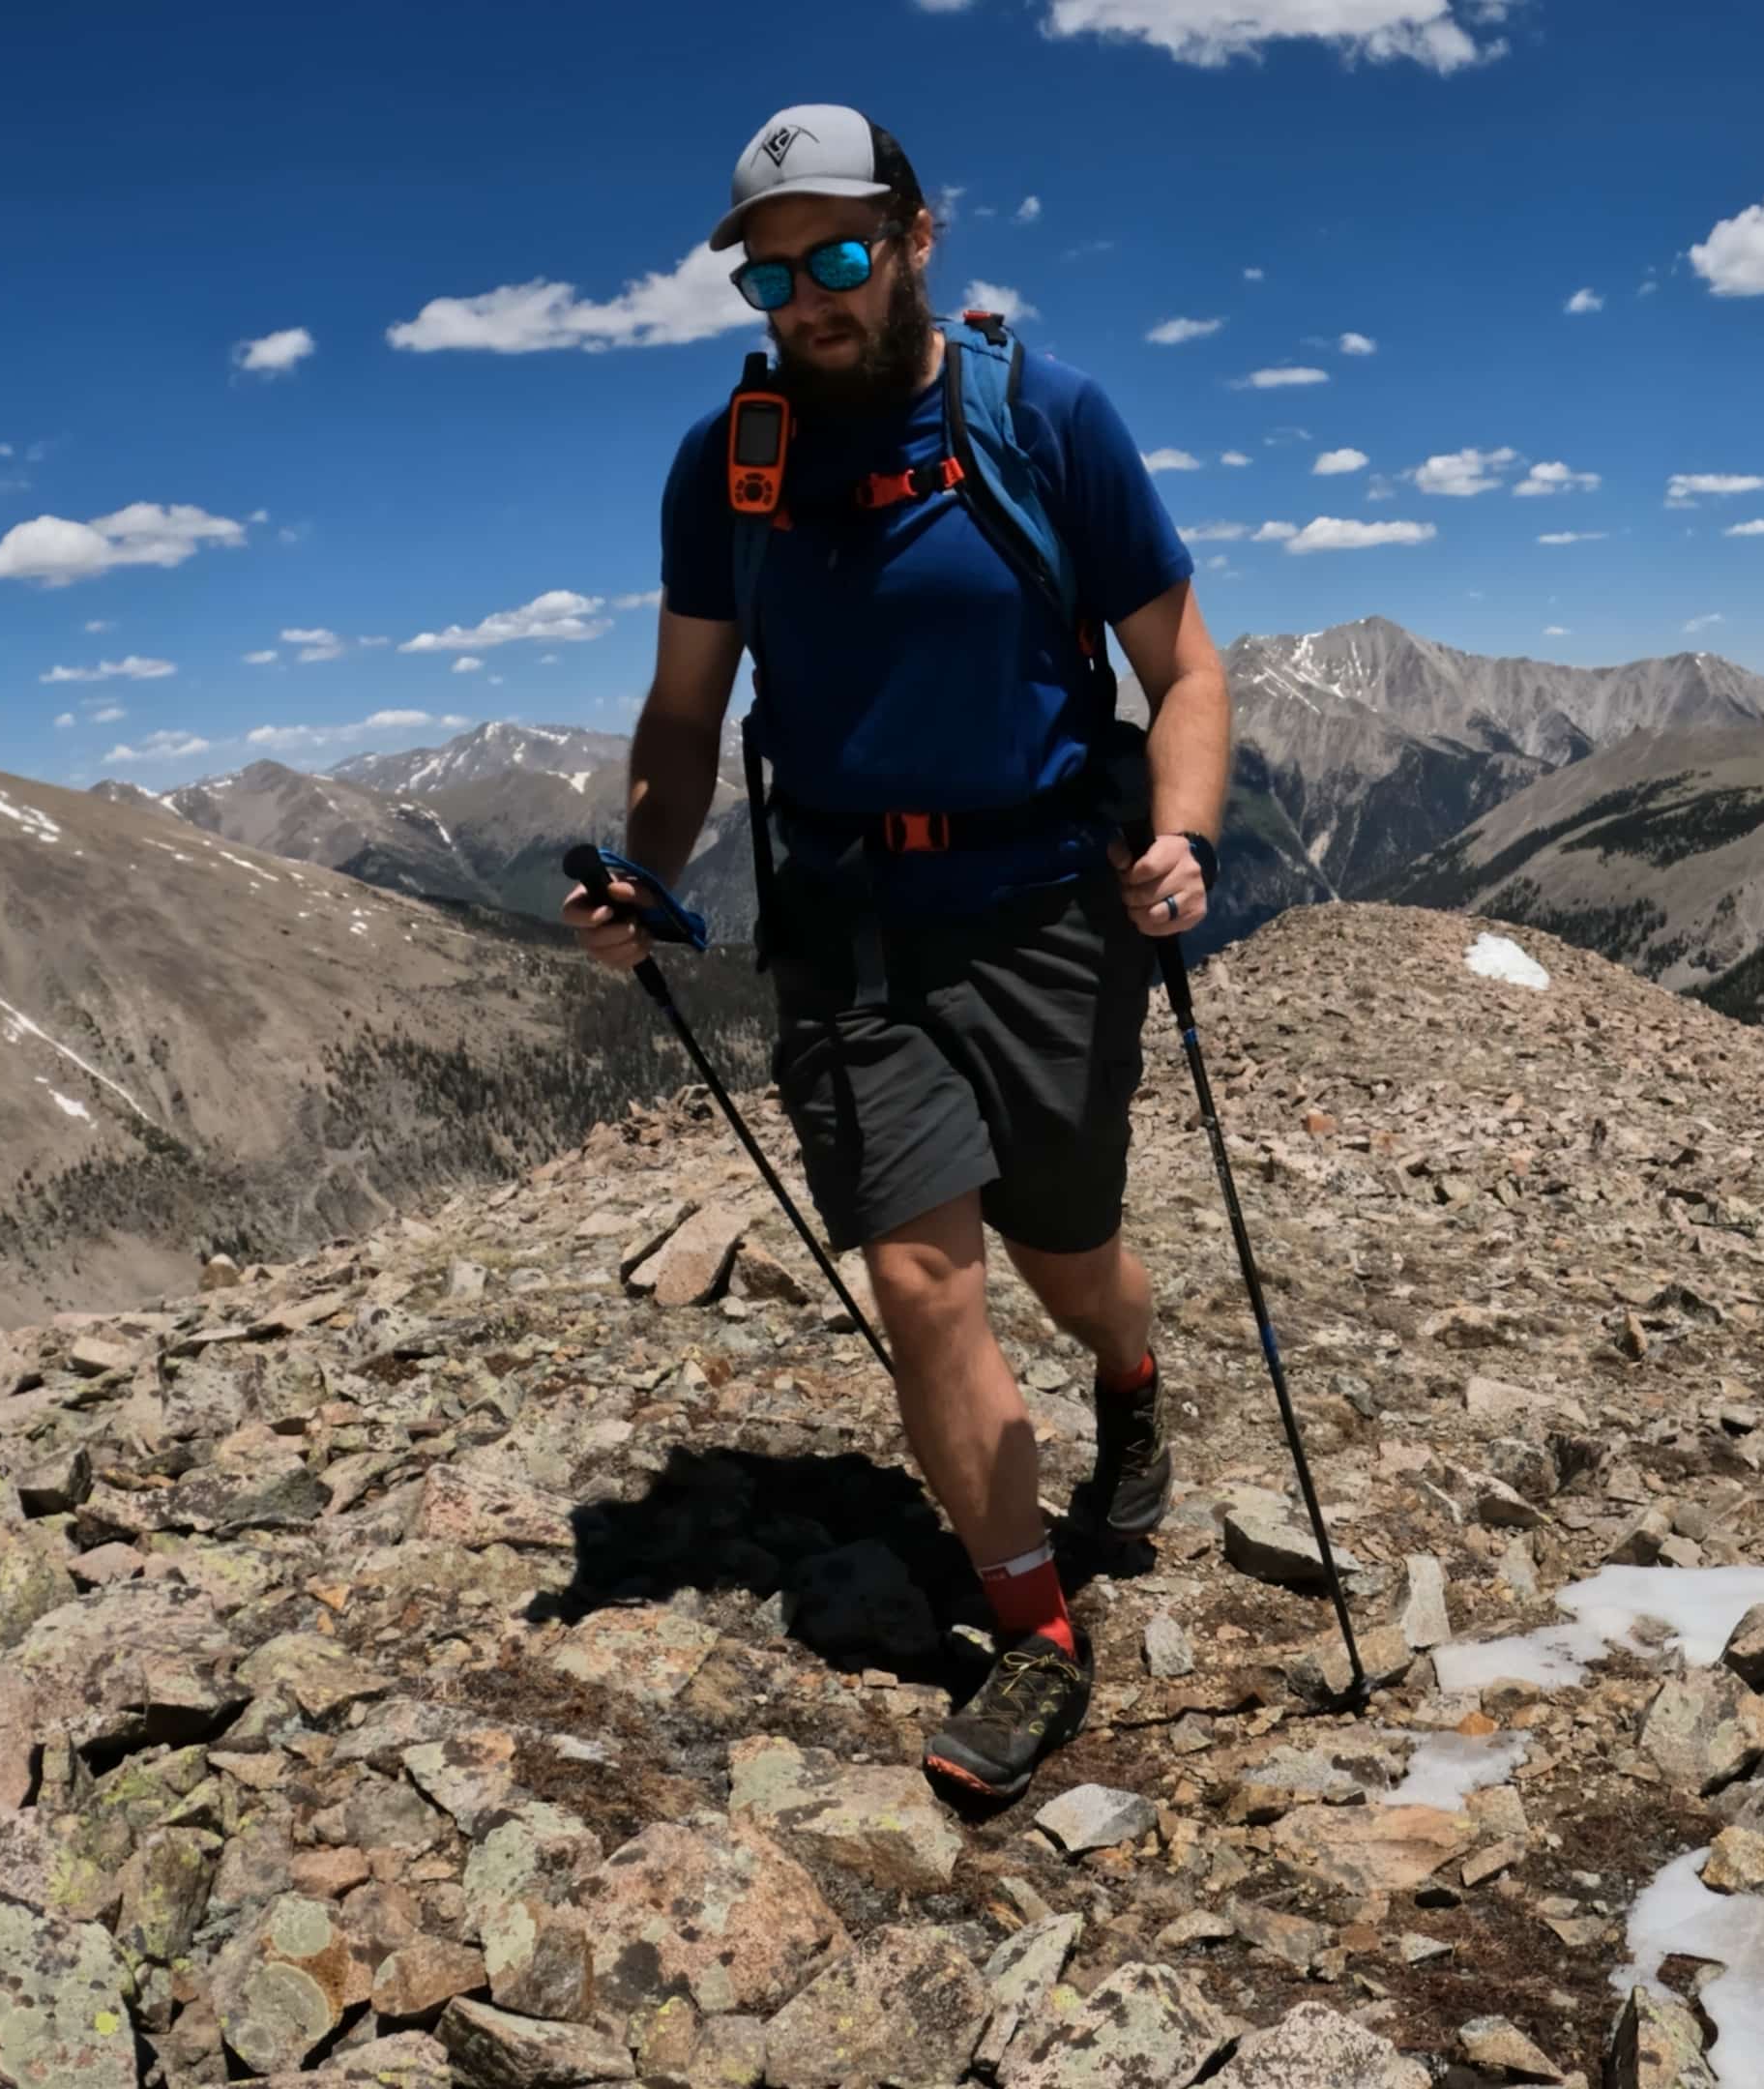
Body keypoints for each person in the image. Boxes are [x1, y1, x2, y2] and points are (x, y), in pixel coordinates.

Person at [566, 103, 1230, 1802]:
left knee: (1071, 1256)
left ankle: (1131, 1375)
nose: (807, 300)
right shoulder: (731, 466)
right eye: (772, 276)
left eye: (840, 257)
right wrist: (645, 875)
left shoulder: (1046, 421)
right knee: (925, 1281)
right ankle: (1034, 1637)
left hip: (1044, 917)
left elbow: (1188, 670)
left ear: (919, 239)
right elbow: (684, 713)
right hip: (851, 932)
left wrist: (1183, 837)